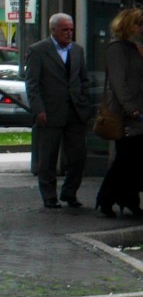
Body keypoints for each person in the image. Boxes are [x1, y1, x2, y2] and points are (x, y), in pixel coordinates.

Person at [95, 6, 143, 218]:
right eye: (137, 24)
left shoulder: (138, 49)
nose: (141, 28)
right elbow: (118, 83)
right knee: (126, 160)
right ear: (126, 25)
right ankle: (107, 198)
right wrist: (130, 108)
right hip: (129, 116)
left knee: (137, 161)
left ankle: (129, 199)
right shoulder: (117, 49)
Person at [24, 13, 89, 209]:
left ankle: (70, 193)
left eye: (71, 29)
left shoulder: (77, 50)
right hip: (50, 111)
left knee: (78, 156)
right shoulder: (38, 51)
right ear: (53, 30)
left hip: (75, 111)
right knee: (48, 157)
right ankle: (49, 196)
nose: (69, 33)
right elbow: (32, 84)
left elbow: (83, 79)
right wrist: (38, 109)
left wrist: (84, 102)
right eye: (64, 30)